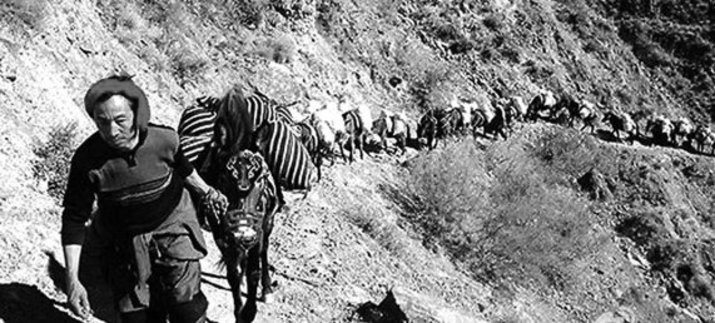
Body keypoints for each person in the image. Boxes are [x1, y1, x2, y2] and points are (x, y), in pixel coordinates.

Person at [61, 74, 227, 323]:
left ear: (137, 115)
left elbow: (183, 168)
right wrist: (73, 280)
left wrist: (207, 191)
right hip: (123, 239)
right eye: (102, 122)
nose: (112, 131)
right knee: (136, 316)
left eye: (120, 120)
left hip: (173, 224)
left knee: (187, 308)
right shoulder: (87, 160)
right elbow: (74, 219)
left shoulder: (165, 140)